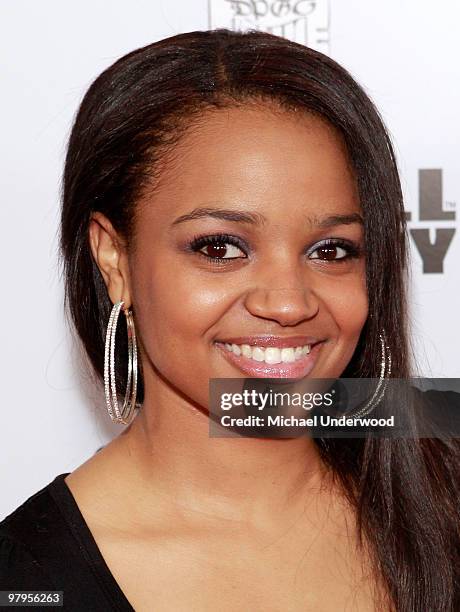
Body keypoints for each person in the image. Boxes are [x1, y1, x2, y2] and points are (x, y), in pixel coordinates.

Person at [1, 28, 459, 611]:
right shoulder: (27, 582)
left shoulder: (444, 502)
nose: (290, 304)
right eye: (220, 248)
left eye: (332, 250)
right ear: (113, 258)